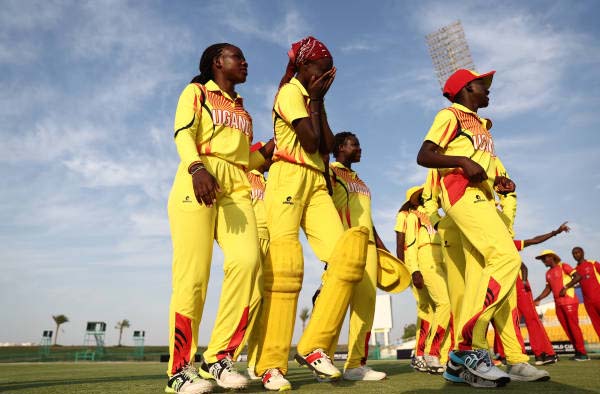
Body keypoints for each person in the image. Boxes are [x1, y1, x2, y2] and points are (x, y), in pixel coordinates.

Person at [255, 36, 369, 391]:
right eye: (321, 69)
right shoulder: (290, 93)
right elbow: (309, 143)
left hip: (317, 181)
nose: (325, 76)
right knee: (286, 267)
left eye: (329, 71)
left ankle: (313, 344)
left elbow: (328, 145)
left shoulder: (310, 98)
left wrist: (318, 102)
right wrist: (317, 100)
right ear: (304, 67)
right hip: (288, 174)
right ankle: (271, 365)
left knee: (346, 260)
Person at [166, 43, 274, 393]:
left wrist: (266, 152)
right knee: (193, 276)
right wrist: (197, 167)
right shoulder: (197, 92)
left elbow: (243, 159)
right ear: (217, 63)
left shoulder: (243, 111)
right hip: (198, 178)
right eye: (237, 57)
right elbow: (184, 133)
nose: (245, 62)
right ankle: (179, 370)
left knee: (247, 261)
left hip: (236, 186)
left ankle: (219, 357)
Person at [416, 68, 525, 386]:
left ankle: (460, 367)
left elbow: (479, 162)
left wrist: (498, 181)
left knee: (482, 276)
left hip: (483, 197)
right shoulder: (450, 115)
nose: (488, 89)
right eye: (482, 85)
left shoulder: (481, 127)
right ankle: (466, 348)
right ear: (465, 89)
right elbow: (424, 155)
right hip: (461, 194)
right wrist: (462, 163)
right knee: (507, 259)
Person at [327, 131, 387, 381]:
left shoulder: (359, 180)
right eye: (355, 145)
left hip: (369, 247)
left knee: (366, 304)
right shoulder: (330, 171)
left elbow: (367, 218)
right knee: (335, 304)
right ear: (340, 147)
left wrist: (381, 247)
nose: (360, 149)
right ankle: (322, 359)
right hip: (345, 246)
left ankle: (354, 365)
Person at [492, 222, 570, 366]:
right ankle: (515, 355)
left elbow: (533, 242)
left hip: (519, 287)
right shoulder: (488, 246)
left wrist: (556, 232)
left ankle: (545, 353)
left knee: (531, 319)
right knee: (509, 322)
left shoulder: (508, 243)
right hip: (506, 287)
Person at [395, 185, 450, 375]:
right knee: (444, 305)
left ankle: (442, 357)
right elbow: (409, 244)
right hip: (425, 258)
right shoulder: (412, 217)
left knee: (437, 310)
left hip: (443, 260)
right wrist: (414, 270)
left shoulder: (438, 217)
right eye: (423, 194)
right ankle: (430, 353)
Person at [243, 144, 273, 381]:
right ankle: (224, 359)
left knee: (263, 309)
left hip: (270, 244)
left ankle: (254, 364)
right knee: (249, 304)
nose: (271, 157)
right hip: (250, 241)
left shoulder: (269, 182)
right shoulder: (245, 176)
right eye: (267, 155)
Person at [533, 250, 589, 361]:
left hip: (569, 301)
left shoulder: (564, 266)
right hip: (558, 304)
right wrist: (538, 298)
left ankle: (583, 353)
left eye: (544, 258)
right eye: (542, 259)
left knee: (573, 327)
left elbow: (578, 277)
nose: (543, 261)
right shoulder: (548, 273)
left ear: (551, 257)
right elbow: (548, 289)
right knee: (567, 328)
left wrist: (566, 287)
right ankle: (577, 352)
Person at [572, 247, 600, 339]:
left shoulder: (593, 263)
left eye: (578, 252)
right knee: (597, 324)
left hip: (598, 297)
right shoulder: (575, 270)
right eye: (574, 254)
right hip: (588, 303)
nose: (576, 255)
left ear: (583, 252)